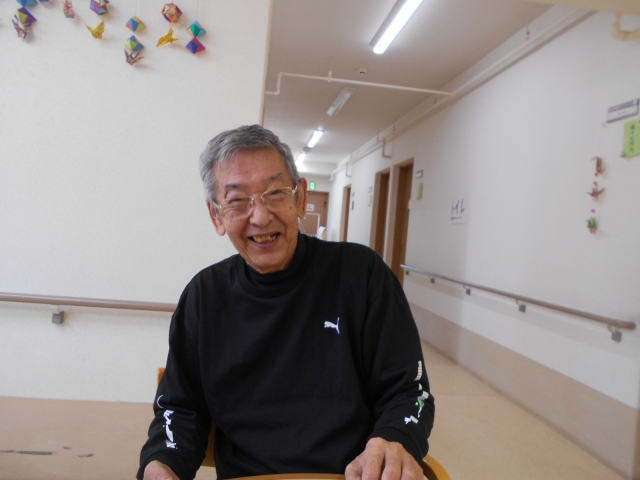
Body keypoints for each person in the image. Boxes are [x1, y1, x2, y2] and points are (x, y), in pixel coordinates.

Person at [138, 125, 434, 480]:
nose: (260, 216)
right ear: (216, 215)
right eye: (237, 200)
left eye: (275, 193)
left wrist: (395, 438)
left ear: (301, 198)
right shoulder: (204, 296)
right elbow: (181, 409)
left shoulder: (361, 275)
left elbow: (409, 391)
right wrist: (162, 462)